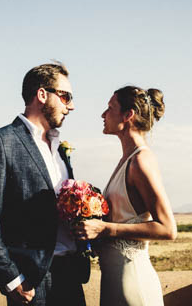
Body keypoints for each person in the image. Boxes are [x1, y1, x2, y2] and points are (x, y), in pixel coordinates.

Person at [0, 63, 89, 306]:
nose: (72, 106)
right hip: (32, 281)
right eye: (66, 97)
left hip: (71, 276)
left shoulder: (60, 149)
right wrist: (11, 279)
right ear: (42, 95)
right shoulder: (1, 142)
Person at [74, 85, 177, 306]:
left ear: (128, 115)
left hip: (134, 285)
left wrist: (105, 229)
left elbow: (168, 228)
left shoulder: (141, 161)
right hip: (115, 282)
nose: (103, 114)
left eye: (110, 108)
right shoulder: (126, 160)